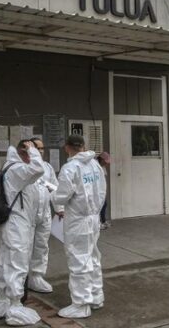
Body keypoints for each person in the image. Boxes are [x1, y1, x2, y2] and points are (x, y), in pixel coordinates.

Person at [0, 140, 45, 326]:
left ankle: (2, 301)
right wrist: (32, 151)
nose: (37, 154)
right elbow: (38, 169)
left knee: (6, 261)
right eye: (34, 151)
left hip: (12, 223)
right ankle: (14, 305)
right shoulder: (17, 169)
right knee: (17, 263)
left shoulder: (9, 167)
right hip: (17, 224)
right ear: (25, 152)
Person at [51, 135, 106, 319]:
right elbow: (102, 191)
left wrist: (52, 193)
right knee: (93, 257)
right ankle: (96, 296)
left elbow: (61, 197)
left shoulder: (70, 168)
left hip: (78, 220)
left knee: (79, 260)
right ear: (83, 146)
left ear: (67, 148)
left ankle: (81, 304)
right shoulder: (95, 165)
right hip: (93, 218)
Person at [28, 137, 63, 293]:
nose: (41, 151)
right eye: (38, 148)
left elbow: (55, 188)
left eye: (42, 148)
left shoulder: (47, 167)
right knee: (23, 246)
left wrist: (59, 208)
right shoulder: (22, 166)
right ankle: (20, 276)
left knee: (41, 245)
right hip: (26, 214)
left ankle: (36, 276)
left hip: (45, 213)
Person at [97, 152, 111, 230]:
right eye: (105, 161)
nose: (106, 163)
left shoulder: (103, 167)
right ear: (101, 159)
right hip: (96, 191)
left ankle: (103, 221)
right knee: (98, 207)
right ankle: (98, 223)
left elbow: (104, 179)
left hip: (102, 190)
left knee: (104, 205)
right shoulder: (95, 166)